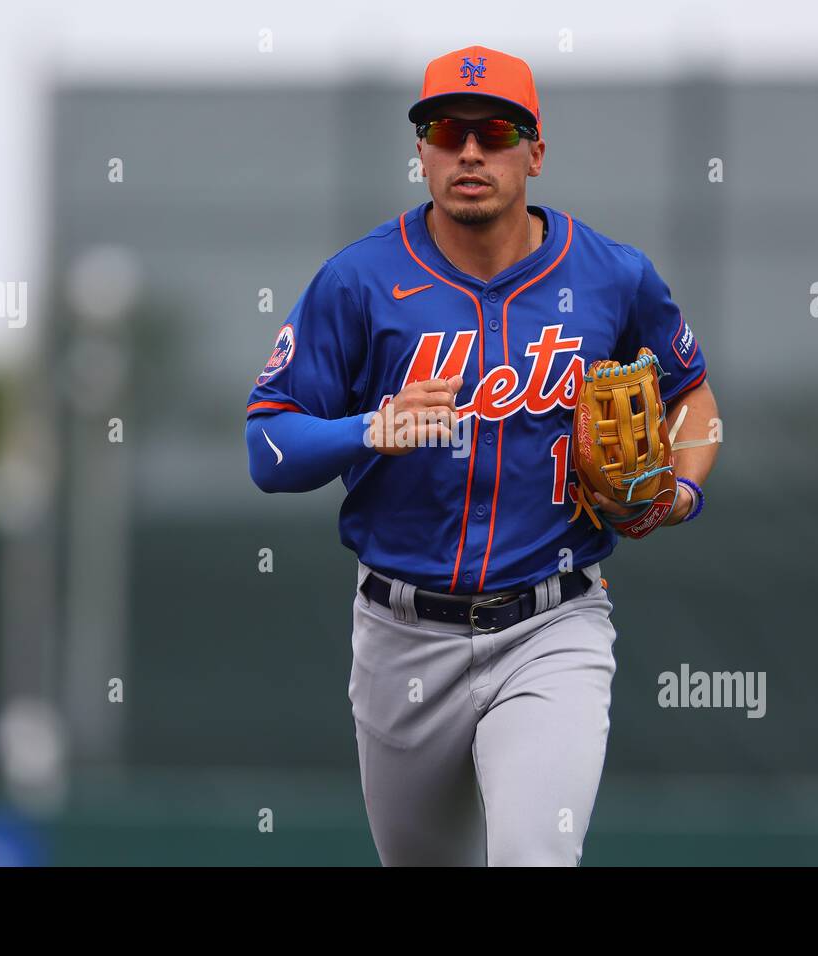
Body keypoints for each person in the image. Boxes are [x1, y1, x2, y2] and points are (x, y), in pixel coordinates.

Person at [245, 44, 720, 865]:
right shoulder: (359, 281)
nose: (469, 150)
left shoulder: (612, 277)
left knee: (536, 855)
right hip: (401, 637)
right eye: (445, 130)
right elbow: (267, 447)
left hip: (553, 622)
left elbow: (693, 398)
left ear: (534, 151)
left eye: (495, 130)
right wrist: (369, 427)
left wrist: (679, 490)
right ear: (421, 150)